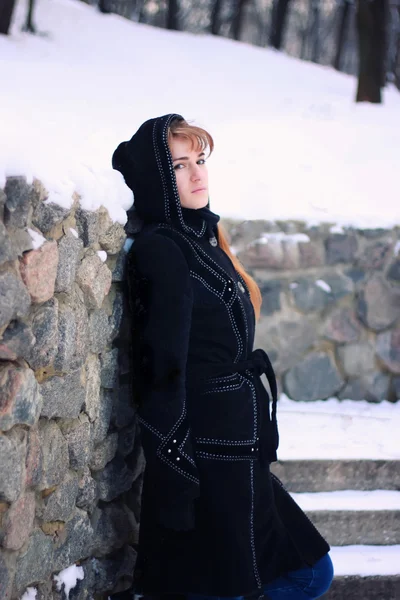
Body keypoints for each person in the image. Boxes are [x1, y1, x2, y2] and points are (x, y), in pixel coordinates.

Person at [112, 114, 334, 600]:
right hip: (206, 455)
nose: (197, 175)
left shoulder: (204, 240)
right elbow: (160, 370)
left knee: (310, 571)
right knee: (269, 581)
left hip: (238, 446)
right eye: (179, 165)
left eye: (201, 160)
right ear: (156, 177)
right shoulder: (162, 250)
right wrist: (176, 468)